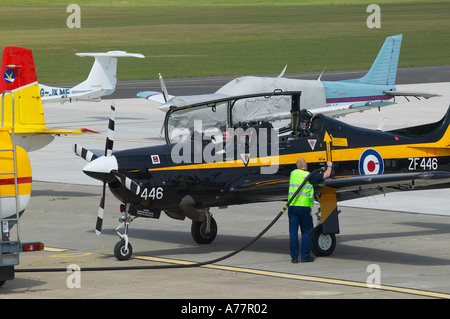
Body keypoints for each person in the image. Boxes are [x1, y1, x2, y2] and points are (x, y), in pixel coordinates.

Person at [288, 158, 332, 263]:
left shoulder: (292, 174)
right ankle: (305, 257)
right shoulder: (308, 175)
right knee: (307, 231)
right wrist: (329, 165)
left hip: (292, 206)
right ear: (305, 165)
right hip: (303, 207)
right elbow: (326, 175)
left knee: (293, 233)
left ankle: (294, 257)